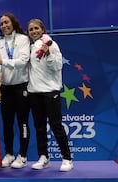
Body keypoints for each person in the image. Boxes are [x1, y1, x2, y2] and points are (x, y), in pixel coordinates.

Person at [27, 18, 73, 172]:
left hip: (50, 91)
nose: (34, 31)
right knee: (39, 127)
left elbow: (57, 66)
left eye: (36, 28)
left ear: (43, 30)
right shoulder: (31, 47)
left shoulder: (52, 44)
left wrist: (48, 54)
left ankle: (67, 159)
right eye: (31, 29)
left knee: (56, 126)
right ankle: (43, 157)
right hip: (34, 92)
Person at [0, 13, 31, 169]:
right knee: (7, 123)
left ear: (13, 23)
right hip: (5, 88)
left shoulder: (23, 39)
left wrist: (3, 62)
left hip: (22, 87)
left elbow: (23, 62)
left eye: (6, 22)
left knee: (23, 122)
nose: (4, 26)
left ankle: (22, 155)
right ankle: (9, 154)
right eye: (1, 24)